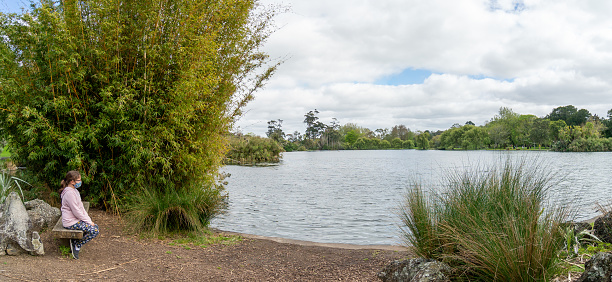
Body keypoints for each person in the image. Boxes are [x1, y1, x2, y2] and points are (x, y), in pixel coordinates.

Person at [60, 170, 99, 259]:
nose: (80, 182)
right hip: (70, 222)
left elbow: (81, 208)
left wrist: (89, 221)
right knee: (94, 231)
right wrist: (88, 222)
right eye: (79, 180)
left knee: (95, 227)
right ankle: (76, 245)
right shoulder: (69, 193)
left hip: (75, 220)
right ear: (72, 182)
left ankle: (76, 240)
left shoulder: (75, 191)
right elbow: (76, 212)